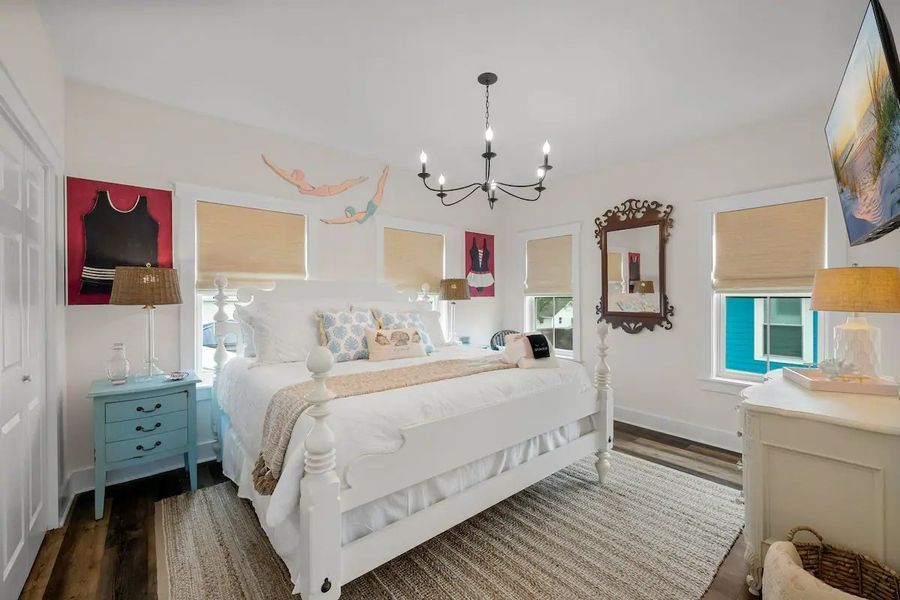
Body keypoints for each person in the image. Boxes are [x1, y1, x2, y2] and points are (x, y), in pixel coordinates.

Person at [262, 154, 367, 196]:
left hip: (326, 190)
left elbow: (286, 175)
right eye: (298, 173)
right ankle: (358, 180)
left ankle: (359, 180)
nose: (302, 174)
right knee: (345, 185)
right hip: (327, 191)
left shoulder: (303, 184)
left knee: (345, 184)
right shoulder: (301, 184)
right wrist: (270, 163)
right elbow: (284, 174)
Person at [321, 166, 390, 225]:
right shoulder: (356, 217)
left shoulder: (356, 216)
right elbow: (345, 220)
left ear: (351, 212)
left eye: (347, 213)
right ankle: (385, 173)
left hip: (372, 207)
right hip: (371, 208)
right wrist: (331, 221)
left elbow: (344, 220)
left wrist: (331, 221)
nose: (346, 216)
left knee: (380, 188)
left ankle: (386, 172)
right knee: (380, 189)